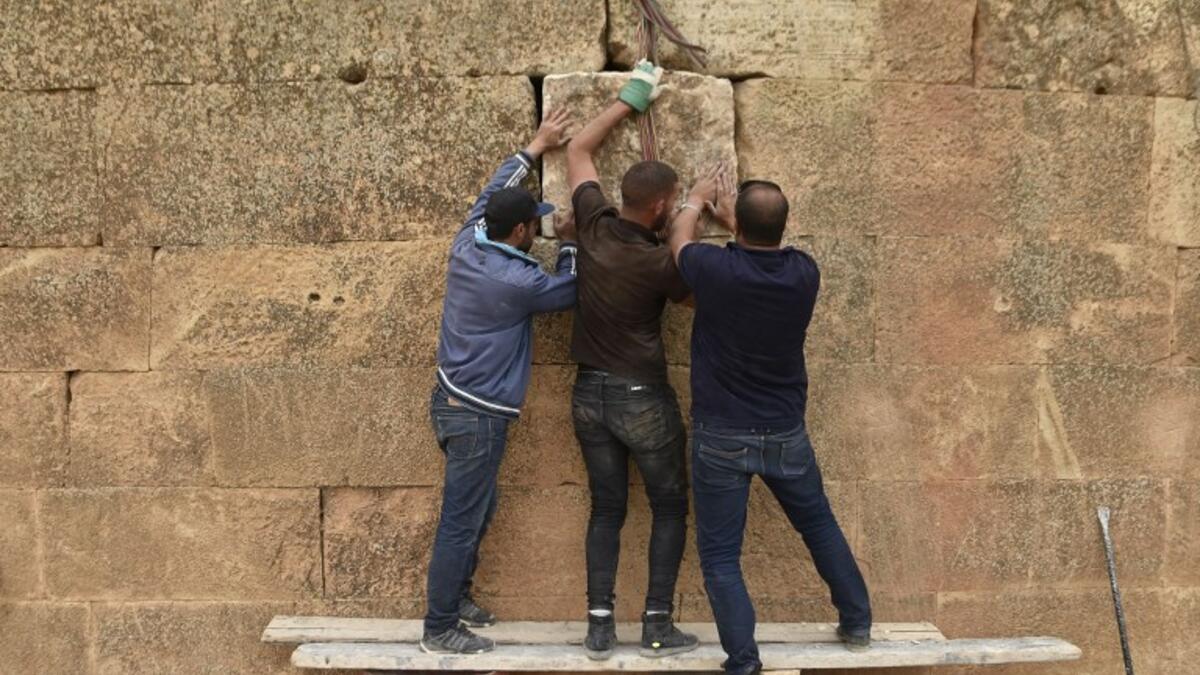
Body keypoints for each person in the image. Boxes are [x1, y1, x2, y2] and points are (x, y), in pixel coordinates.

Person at [667, 167, 873, 675]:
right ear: (783, 225)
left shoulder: (715, 269)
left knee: (721, 556)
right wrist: (739, 222)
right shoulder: (805, 272)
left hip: (721, 435)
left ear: (738, 225)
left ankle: (743, 661)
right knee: (819, 525)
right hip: (784, 432)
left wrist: (695, 200)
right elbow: (761, 244)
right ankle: (857, 623)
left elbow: (679, 242)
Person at [421, 109, 579, 655]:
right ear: (519, 232)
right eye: (535, 224)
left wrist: (535, 146)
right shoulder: (519, 280)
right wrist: (571, 243)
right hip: (478, 415)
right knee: (461, 521)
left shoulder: (468, 241)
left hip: (453, 402)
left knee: (478, 508)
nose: (538, 229)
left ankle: (458, 597)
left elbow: (495, 189)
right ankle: (439, 628)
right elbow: (570, 290)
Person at [564, 60, 699, 661]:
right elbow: (695, 292)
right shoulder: (660, 263)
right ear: (662, 204)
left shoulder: (592, 224)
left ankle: (599, 628)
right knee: (669, 506)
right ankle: (656, 625)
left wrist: (631, 98)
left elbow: (579, 148)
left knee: (607, 509)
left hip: (587, 397)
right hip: (641, 397)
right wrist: (693, 215)